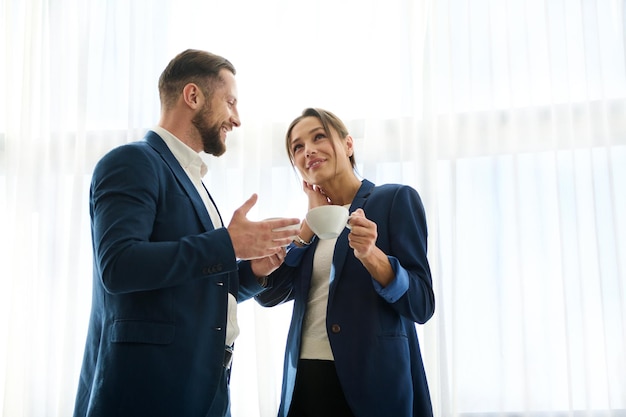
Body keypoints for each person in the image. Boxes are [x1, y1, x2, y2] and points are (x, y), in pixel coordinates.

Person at [73, 49, 299, 417]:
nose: (237, 119)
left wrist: (253, 272)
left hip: (204, 391)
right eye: (230, 102)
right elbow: (119, 266)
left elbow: (191, 285)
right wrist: (228, 243)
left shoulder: (194, 181)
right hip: (146, 393)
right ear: (193, 96)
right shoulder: (132, 162)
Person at [255, 108, 436, 417]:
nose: (307, 150)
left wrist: (373, 255)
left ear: (348, 145)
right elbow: (268, 294)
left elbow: (421, 304)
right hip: (305, 381)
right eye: (297, 147)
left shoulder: (393, 200)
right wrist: (306, 228)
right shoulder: (311, 226)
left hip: (372, 384)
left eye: (318, 137)